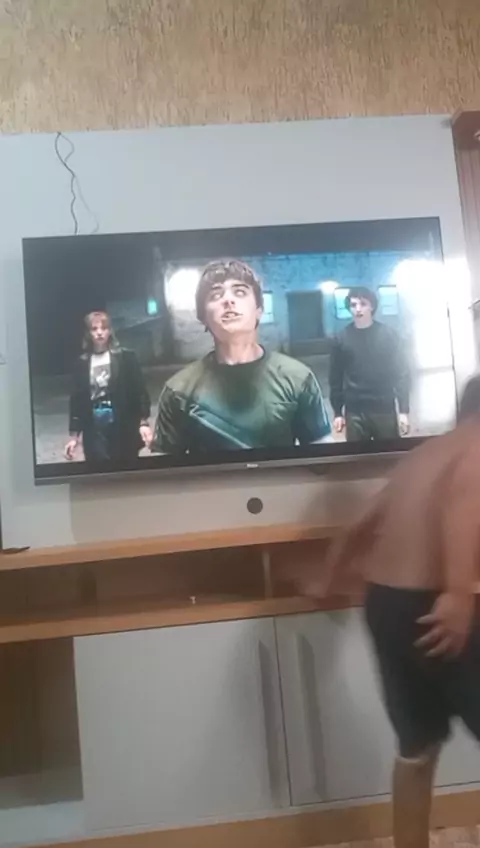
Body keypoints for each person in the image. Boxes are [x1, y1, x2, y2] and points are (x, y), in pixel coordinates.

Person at [299, 375, 480, 848]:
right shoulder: (477, 447)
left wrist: (326, 580)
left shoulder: (422, 455)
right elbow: (464, 504)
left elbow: (358, 525)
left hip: (385, 605)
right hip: (435, 606)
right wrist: (458, 594)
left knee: (417, 748)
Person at [152, 259, 331, 452]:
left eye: (240, 292)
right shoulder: (178, 391)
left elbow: (322, 455)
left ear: (259, 311)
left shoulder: (297, 378)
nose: (228, 300)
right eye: (216, 295)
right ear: (203, 317)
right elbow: (165, 466)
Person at [65, 311, 152, 463]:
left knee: (126, 464)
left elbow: (139, 392)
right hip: (94, 426)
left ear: (110, 331)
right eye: (94, 329)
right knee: (98, 467)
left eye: (103, 328)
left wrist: (143, 422)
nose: (99, 333)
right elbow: (77, 400)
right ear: (88, 333)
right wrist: (74, 436)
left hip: (122, 423)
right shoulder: (82, 363)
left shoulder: (126, 358)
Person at [329, 286, 410, 441]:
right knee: (357, 456)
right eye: (353, 305)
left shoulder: (389, 336)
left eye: (363, 304)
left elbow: (401, 373)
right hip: (355, 411)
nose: (358, 309)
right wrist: (338, 412)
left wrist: (403, 410)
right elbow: (335, 378)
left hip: (384, 408)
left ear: (372, 306)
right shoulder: (340, 339)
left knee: (389, 454)